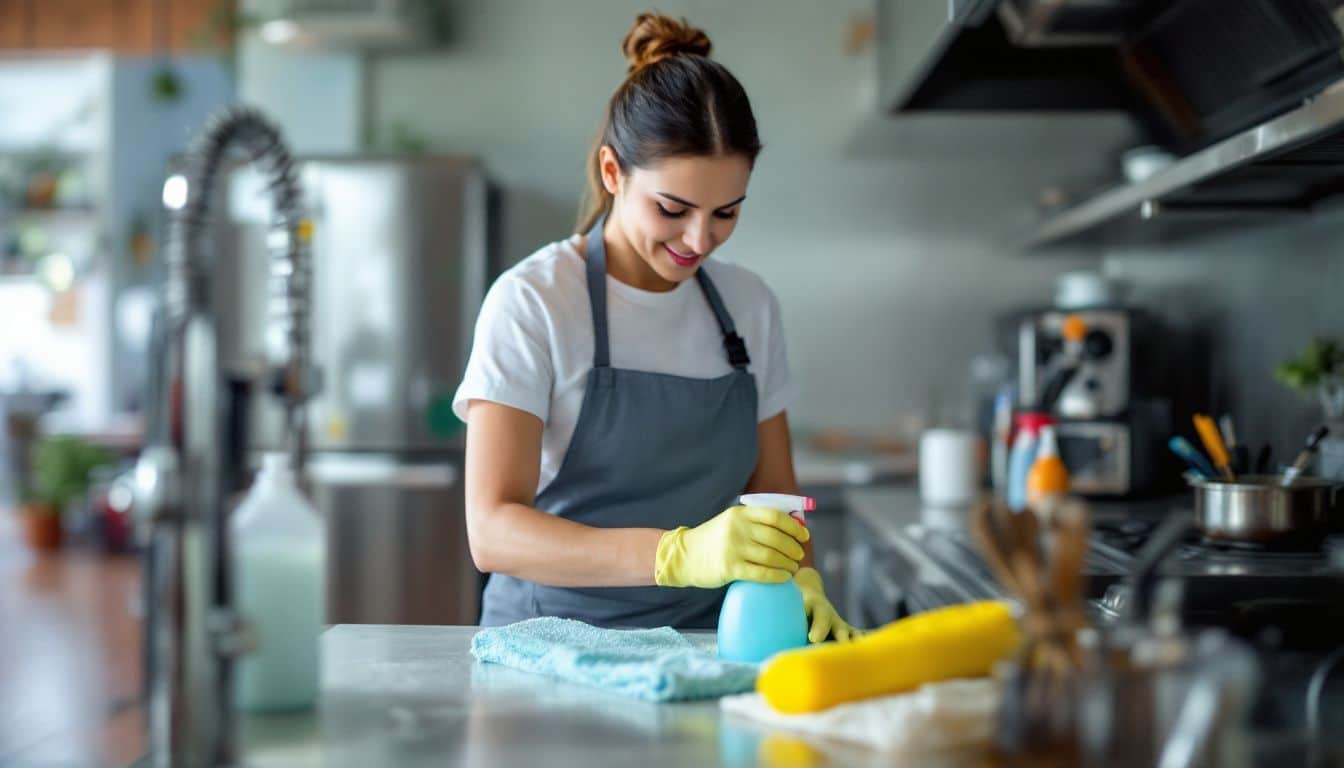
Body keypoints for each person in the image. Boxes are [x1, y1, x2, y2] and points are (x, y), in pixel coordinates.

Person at [454, 12, 859, 642]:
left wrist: (802, 582)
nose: (699, 240)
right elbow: (493, 529)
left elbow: (776, 496)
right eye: (673, 209)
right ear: (614, 174)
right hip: (550, 652)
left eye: (726, 212)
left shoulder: (749, 305)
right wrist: (677, 555)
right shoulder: (533, 302)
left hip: (710, 649)